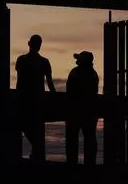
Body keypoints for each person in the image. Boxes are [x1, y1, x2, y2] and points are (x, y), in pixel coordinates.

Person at [15, 34, 56, 162]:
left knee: (23, 127)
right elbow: (50, 84)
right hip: (38, 101)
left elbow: (19, 81)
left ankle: (31, 154)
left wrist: (17, 96)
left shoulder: (21, 60)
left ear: (29, 43)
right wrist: (54, 97)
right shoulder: (44, 62)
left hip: (25, 100)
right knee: (36, 129)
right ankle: (37, 154)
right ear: (39, 46)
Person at [65, 51, 99, 165]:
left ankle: (72, 165)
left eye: (79, 59)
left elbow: (69, 91)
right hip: (90, 112)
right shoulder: (93, 74)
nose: (76, 61)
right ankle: (90, 165)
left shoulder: (75, 73)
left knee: (72, 140)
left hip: (75, 111)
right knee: (90, 139)